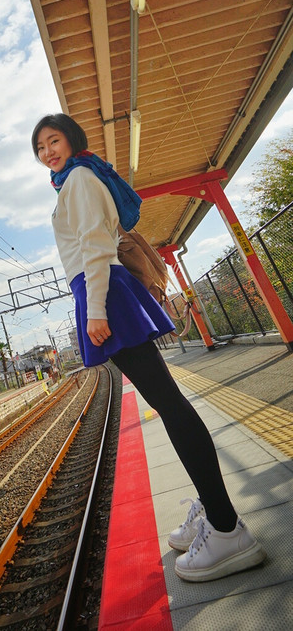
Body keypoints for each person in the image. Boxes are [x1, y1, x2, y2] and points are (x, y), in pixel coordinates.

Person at [32, 113, 266, 582]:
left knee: (171, 405)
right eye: (39, 148)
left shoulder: (77, 177)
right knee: (169, 402)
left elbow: (95, 245)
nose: (47, 152)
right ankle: (212, 505)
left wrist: (94, 309)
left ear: (71, 141)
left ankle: (226, 529)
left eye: (53, 141)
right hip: (103, 291)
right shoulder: (78, 178)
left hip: (102, 293)